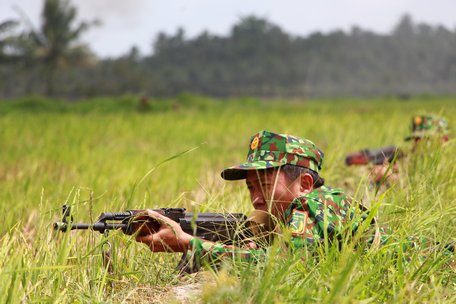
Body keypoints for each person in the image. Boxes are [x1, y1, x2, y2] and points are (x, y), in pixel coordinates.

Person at [134, 130, 383, 267]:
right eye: (250, 188)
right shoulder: (279, 217)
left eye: (264, 185)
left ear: (305, 184)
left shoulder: (314, 205)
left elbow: (284, 267)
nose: (256, 198)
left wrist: (189, 243)